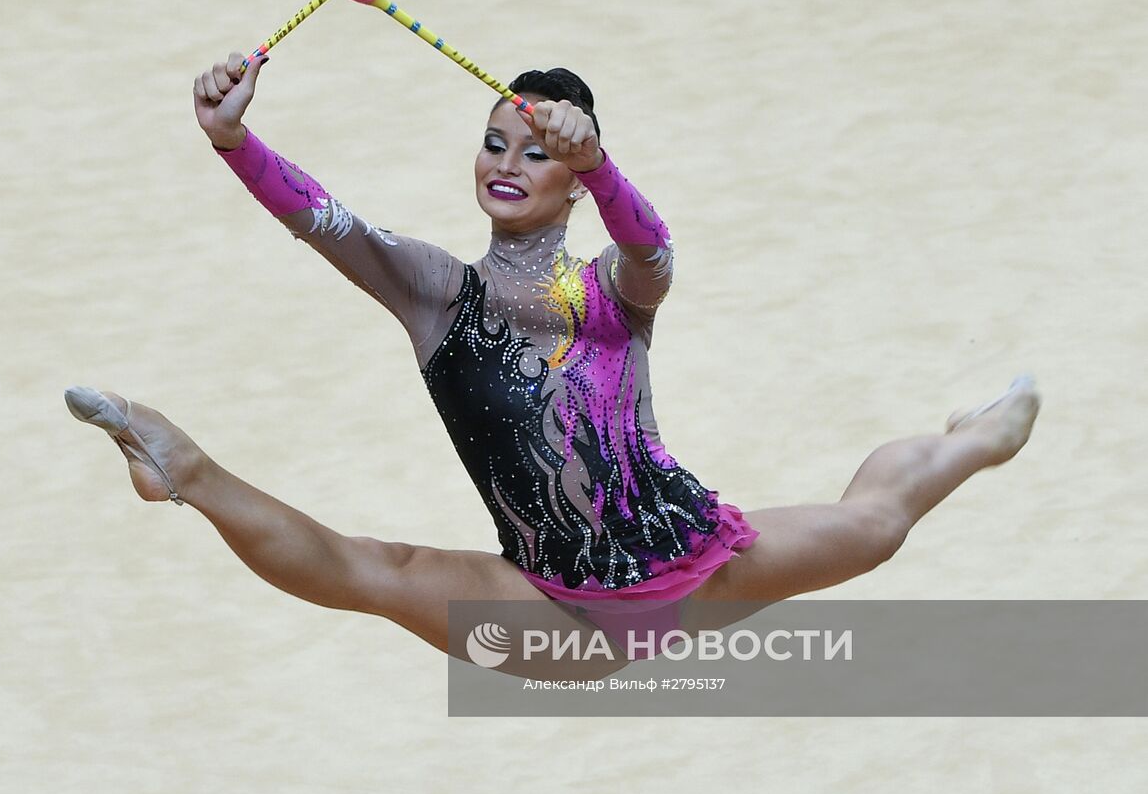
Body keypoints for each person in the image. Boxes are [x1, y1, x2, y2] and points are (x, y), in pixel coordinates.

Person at [65, 51, 1040, 679]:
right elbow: (323, 220)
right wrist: (234, 140)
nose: (508, 161)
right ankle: (183, 470)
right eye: (496, 141)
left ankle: (981, 437)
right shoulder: (435, 291)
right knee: (371, 569)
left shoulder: (610, 291)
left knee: (874, 525)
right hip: (552, 608)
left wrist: (608, 166)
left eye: (539, 152)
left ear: (575, 183)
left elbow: (655, 249)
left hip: (694, 567)